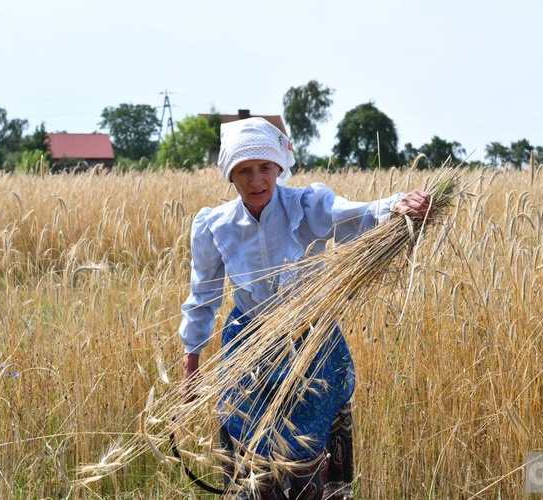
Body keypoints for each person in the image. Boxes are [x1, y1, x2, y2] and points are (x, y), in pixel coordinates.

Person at [178, 117, 432, 499]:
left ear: (279, 167)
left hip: (310, 346)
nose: (256, 180)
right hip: (248, 348)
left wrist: (399, 206)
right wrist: (190, 366)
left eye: (264, 168)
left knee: (304, 450)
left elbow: (357, 213)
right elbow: (203, 297)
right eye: (243, 171)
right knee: (252, 450)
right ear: (230, 176)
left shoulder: (308, 205)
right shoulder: (215, 226)